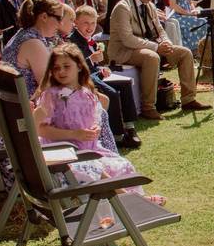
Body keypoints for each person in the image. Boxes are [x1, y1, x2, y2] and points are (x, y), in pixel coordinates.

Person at [33, 45, 163, 202]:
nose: (61, 71)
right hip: (64, 157)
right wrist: (74, 134)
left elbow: (97, 116)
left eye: (66, 66)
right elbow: (40, 130)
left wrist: (95, 128)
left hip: (90, 150)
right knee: (95, 169)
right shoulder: (51, 96)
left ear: (79, 66)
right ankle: (134, 203)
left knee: (123, 165)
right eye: (56, 68)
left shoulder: (86, 93)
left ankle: (135, 200)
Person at [108, 0, 210, 117]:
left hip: (148, 46)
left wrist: (166, 42)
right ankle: (148, 107)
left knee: (185, 53)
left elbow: (160, 29)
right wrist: (156, 47)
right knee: (152, 57)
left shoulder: (149, 5)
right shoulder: (122, 8)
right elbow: (127, 39)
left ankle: (189, 99)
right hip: (125, 51)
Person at [70, 6, 140, 148]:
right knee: (111, 93)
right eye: (85, 23)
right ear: (75, 22)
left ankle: (130, 126)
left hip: (95, 74)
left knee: (125, 83)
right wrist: (91, 60)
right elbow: (75, 67)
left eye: (93, 23)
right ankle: (117, 135)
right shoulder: (72, 41)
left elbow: (95, 66)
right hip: (83, 78)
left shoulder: (90, 40)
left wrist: (102, 69)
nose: (90, 27)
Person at [0, 0, 61, 96]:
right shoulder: (33, 43)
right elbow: (50, 89)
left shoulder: (23, 33)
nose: (61, 23)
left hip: (16, 105)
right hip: (26, 109)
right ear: (44, 17)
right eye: (59, 18)